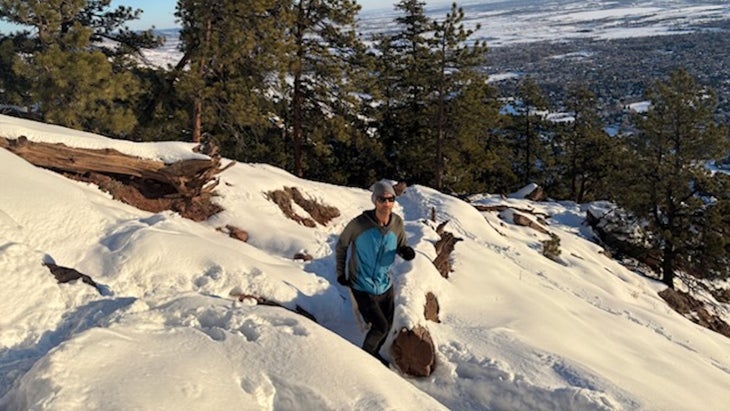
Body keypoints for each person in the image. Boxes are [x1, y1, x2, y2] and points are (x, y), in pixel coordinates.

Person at [336, 181, 416, 366]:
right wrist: (341, 272)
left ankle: (373, 355)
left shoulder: (397, 223)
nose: (386, 203)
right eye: (382, 199)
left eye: (391, 199)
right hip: (361, 284)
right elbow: (342, 245)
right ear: (375, 201)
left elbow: (401, 244)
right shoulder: (359, 224)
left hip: (384, 285)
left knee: (386, 327)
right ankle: (366, 363)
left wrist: (405, 252)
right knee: (380, 327)